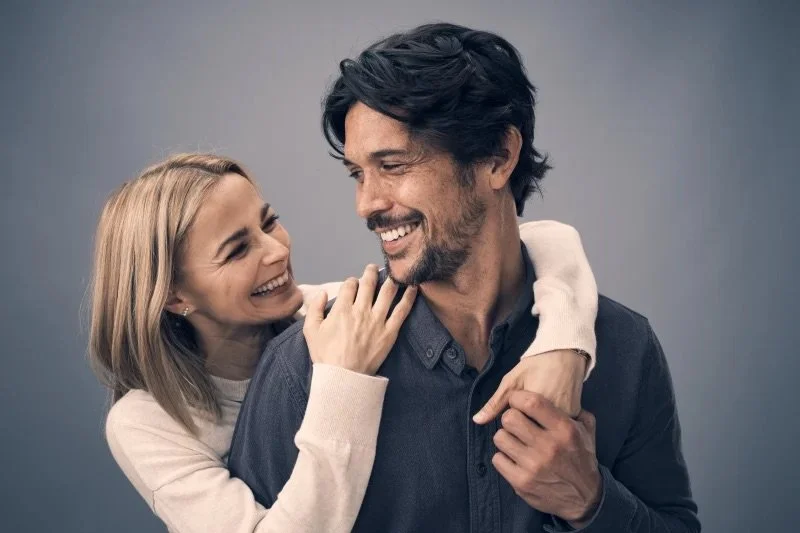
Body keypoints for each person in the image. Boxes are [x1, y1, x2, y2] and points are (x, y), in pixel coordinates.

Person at [228, 23, 700, 533]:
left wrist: (590, 501)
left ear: (498, 156)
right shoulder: (302, 370)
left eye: (393, 165)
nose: (366, 203)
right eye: (358, 174)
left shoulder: (624, 349)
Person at [88, 153, 599, 533]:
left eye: (268, 222)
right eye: (237, 249)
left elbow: (540, 237)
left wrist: (563, 344)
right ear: (175, 295)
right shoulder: (145, 423)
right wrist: (343, 381)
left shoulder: (337, 313)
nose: (275, 251)